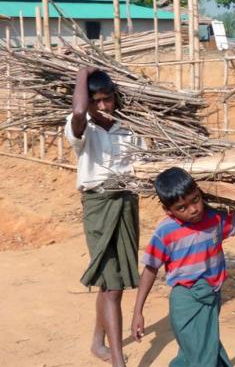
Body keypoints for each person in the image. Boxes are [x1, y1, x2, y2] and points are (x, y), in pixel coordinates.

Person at [65, 67, 142, 367]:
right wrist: (83, 71)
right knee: (114, 286)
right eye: (96, 101)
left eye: (107, 99)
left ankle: (98, 342)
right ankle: (118, 361)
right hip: (98, 207)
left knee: (111, 280)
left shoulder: (131, 128)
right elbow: (79, 110)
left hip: (126, 205)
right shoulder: (80, 128)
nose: (103, 107)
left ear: (115, 97)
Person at [131, 167, 235, 367]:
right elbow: (151, 268)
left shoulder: (215, 218)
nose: (193, 209)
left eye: (195, 199)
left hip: (213, 295)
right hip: (186, 300)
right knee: (202, 357)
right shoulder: (166, 231)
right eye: (182, 207)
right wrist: (138, 311)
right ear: (168, 210)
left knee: (201, 350)